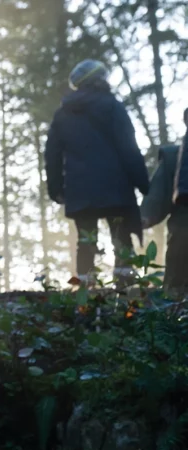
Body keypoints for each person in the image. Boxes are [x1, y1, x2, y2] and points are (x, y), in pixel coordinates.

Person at [44, 59, 149, 286]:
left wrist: (56, 189)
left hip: (80, 190)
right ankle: (125, 292)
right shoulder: (113, 106)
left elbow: (51, 155)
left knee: (86, 240)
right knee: (121, 238)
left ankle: (85, 292)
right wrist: (143, 184)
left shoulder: (63, 114)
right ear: (99, 80)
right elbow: (129, 147)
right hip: (116, 188)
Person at [141, 107, 188, 293]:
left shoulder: (174, 156)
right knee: (177, 281)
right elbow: (158, 192)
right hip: (183, 227)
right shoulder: (174, 157)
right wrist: (146, 216)